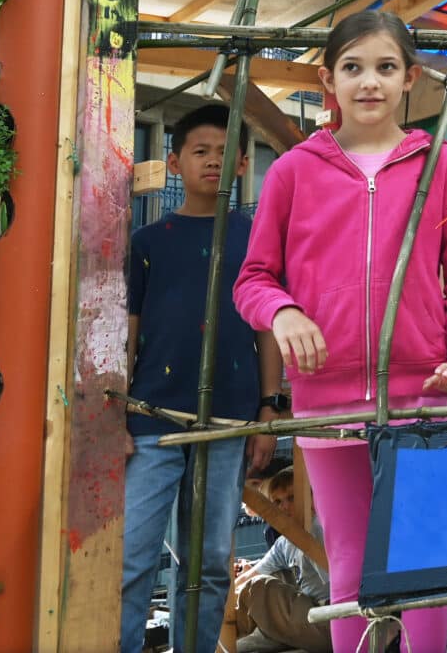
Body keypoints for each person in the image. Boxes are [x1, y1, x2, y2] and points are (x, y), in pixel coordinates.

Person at [234, 11, 447, 653]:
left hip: (423, 388)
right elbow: (254, 279)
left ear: (410, 79)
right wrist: (284, 312)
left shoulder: (442, 165)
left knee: (423, 556)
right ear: (328, 79)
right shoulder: (294, 169)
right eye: (352, 68)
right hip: (326, 396)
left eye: (384, 67)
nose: (368, 82)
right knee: (346, 558)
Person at [120, 104, 283, 653]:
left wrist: (268, 411)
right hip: (150, 419)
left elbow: (268, 332)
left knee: (210, 562)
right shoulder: (147, 242)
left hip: (231, 419)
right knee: (131, 558)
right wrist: (113, 414)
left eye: (224, 153)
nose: (213, 161)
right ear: (174, 162)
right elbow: (128, 333)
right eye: (200, 151)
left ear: (242, 164)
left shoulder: (259, 241)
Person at [222, 468, 332, 653]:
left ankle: (216, 628)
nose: (284, 507)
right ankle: (221, 634)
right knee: (240, 646)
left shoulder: (317, 529)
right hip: (307, 618)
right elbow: (252, 575)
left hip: (329, 621)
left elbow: (339, 589)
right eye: (278, 502)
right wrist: (231, 588)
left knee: (259, 587)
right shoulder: (284, 542)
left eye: (291, 498)